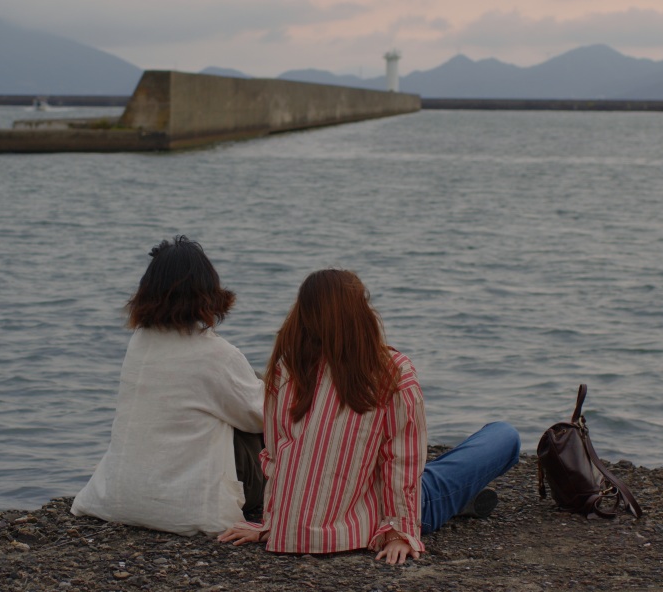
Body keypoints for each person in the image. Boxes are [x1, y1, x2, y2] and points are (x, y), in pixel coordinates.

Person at [218, 269, 519, 564]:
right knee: (504, 435)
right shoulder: (391, 370)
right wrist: (400, 531)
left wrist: (273, 523)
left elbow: (274, 456)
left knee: (423, 471)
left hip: (293, 528)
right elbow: (401, 461)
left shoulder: (285, 370)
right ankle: (459, 500)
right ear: (361, 314)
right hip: (371, 519)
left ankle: (462, 500)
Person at [71, 236, 265, 536]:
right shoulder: (217, 354)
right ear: (207, 291)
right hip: (193, 504)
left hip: (120, 497)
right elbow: (263, 417)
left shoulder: (139, 343)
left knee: (235, 395)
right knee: (257, 397)